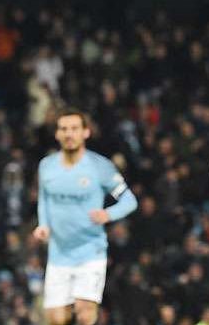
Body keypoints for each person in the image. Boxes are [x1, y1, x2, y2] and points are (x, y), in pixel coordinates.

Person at [33, 108, 138, 325]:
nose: (69, 134)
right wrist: (43, 225)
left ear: (85, 132)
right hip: (58, 254)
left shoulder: (101, 167)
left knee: (84, 313)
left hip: (91, 252)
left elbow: (130, 201)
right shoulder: (46, 166)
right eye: (64, 129)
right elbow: (44, 199)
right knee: (56, 319)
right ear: (57, 134)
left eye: (74, 128)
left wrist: (108, 214)